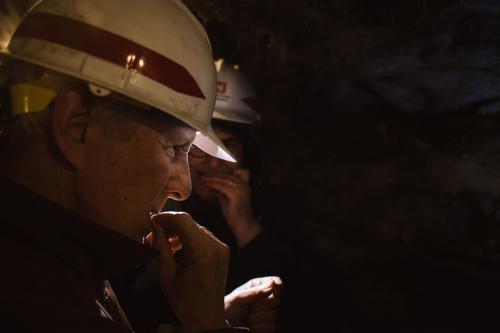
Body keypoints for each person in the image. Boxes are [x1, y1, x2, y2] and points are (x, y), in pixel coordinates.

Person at [0, 1, 255, 332]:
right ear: (78, 124)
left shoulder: (63, 261)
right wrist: (208, 326)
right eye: (176, 147)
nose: (183, 186)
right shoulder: (40, 302)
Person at [112, 59, 337, 333]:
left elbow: (311, 304)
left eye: (229, 147)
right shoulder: (155, 211)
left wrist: (247, 228)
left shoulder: (276, 210)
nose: (214, 162)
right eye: (197, 148)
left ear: (249, 157)